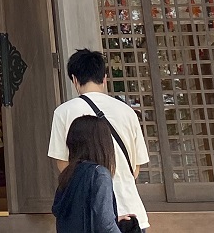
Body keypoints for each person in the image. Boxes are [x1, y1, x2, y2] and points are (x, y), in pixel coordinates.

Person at [48, 49, 149, 231]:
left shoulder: (63, 112)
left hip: (89, 217)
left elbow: (64, 166)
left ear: (74, 80)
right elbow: (135, 168)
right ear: (104, 78)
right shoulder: (127, 112)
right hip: (131, 212)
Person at [53, 116, 120, 233]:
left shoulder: (69, 173)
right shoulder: (99, 174)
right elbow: (106, 225)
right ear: (103, 143)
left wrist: (115, 219)